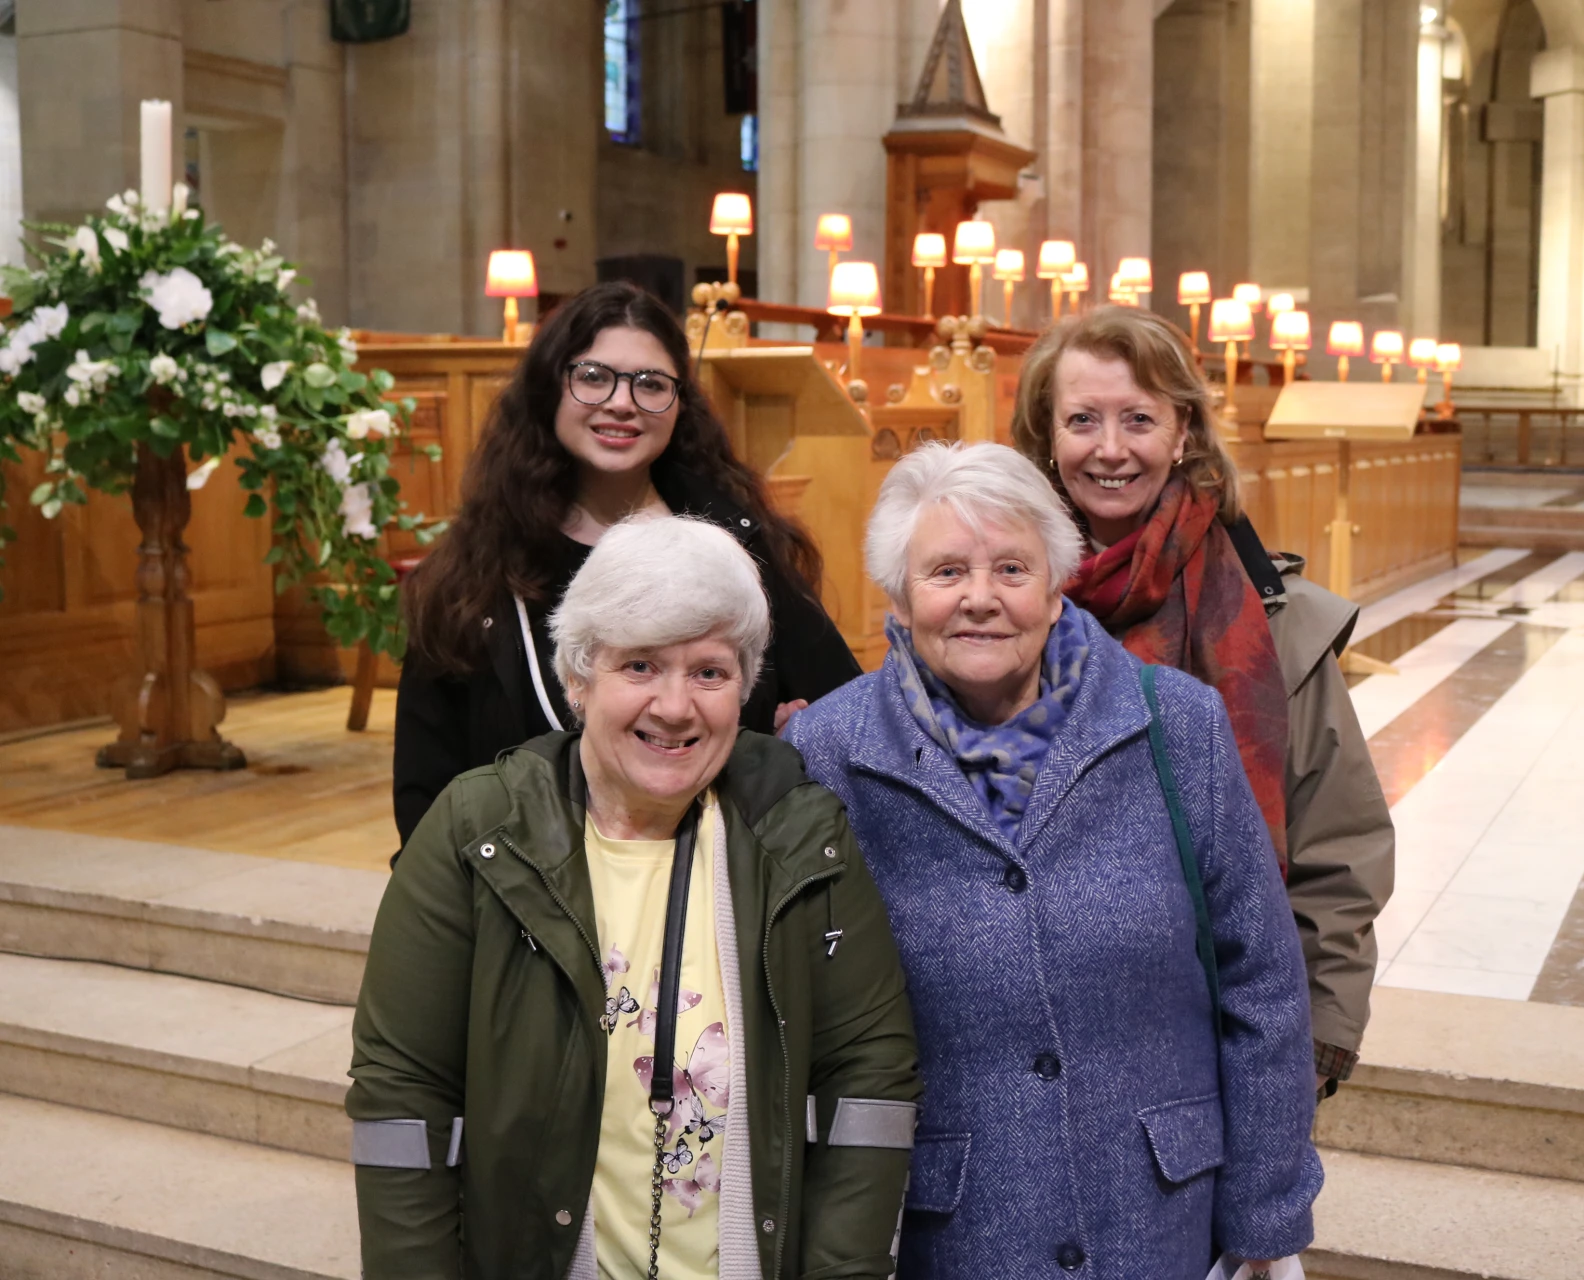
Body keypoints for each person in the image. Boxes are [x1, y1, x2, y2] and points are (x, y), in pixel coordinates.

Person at [785, 443, 1321, 1280]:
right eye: (946, 572)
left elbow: (1262, 982)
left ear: (1055, 578)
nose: (981, 600)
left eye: (1010, 568)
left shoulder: (1177, 723)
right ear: (898, 590)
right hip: (952, 1230)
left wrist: (1266, 1209)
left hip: (1164, 1215)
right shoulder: (830, 752)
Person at [349, 515, 921, 1280]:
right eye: (641, 666)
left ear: (744, 686)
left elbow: (869, 1073)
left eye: (710, 672)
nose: (676, 706)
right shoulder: (478, 830)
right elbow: (401, 1095)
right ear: (579, 680)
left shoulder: (800, 830)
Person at [1009, 304, 1394, 1094]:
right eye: (1082, 419)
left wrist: (1320, 1029)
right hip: (1031, 1034)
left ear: (1183, 432)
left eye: (1139, 419)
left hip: (1217, 1024)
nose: (1110, 449)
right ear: (1047, 438)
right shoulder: (997, 605)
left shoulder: (1270, 622)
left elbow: (1340, 845)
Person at [393, 282, 862, 844]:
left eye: (651, 384)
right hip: (528, 896)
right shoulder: (472, 573)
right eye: (593, 376)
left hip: (722, 882)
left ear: (680, 404)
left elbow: (846, 707)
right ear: (549, 388)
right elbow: (426, 793)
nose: (622, 402)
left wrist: (804, 738)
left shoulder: (737, 545)